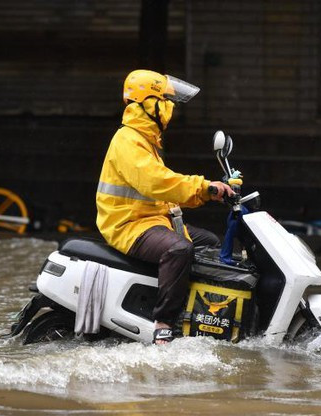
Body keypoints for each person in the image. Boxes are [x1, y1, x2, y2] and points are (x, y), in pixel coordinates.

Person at [96, 69, 234, 344]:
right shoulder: (128, 141)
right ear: (150, 104)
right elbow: (157, 183)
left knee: (208, 241)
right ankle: (163, 323)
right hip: (128, 225)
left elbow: (160, 190)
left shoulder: (146, 140)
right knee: (179, 248)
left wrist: (208, 192)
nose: (171, 108)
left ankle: (195, 312)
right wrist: (204, 188)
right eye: (166, 101)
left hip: (150, 219)